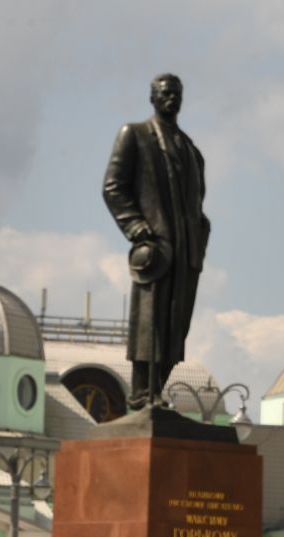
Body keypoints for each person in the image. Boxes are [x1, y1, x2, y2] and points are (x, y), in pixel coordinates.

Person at [102, 72, 210, 409]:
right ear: (152, 98)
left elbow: (197, 202)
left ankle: (157, 391)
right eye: (164, 93)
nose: (171, 98)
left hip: (187, 252)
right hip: (156, 249)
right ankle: (141, 394)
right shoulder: (134, 135)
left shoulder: (192, 151)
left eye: (176, 93)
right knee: (151, 322)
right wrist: (135, 227)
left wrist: (201, 235)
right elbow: (113, 186)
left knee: (177, 326)